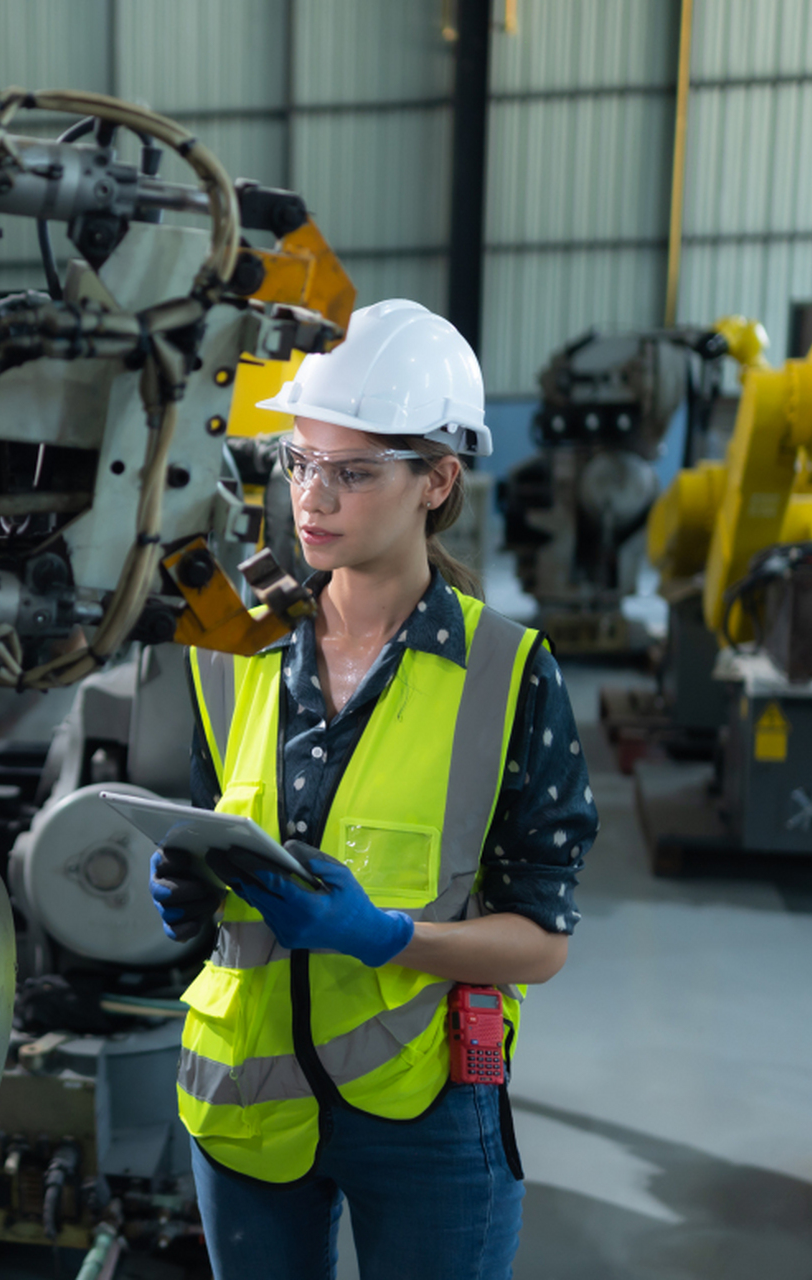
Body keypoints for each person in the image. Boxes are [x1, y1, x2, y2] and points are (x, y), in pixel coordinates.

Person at [150, 299, 598, 1280]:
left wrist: (390, 937)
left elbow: (542, 939)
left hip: (422, 1105)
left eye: (351, 472)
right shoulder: (232, 642)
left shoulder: (505, 671)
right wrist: (185, 895)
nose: (311, 497)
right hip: (242, 1093)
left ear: (436, 478)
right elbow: (203, 833)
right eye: (300, 462)